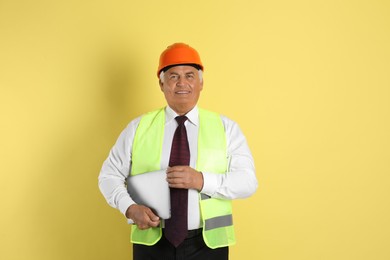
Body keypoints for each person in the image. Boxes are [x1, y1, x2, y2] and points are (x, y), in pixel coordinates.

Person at [98, 42, 258, 260]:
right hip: (152, 244)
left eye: (190, 75)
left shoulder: (226, 128)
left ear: (201, 83)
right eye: (173, 76)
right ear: (161, 84)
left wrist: (201, 180)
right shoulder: (138, 128)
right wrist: (129, 207)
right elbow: (108, 175)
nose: (182, 83)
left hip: (208, 246)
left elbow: (247, 181)